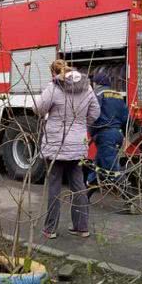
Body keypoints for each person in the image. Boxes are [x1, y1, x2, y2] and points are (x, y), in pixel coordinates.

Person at [36, 59, 100, 239]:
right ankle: (81, 227)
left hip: (57, 144)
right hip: (77, 145)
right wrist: (80, 125)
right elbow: (95, 113)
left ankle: (50, 229)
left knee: (55, 186)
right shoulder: (87, 87)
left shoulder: (54, 86)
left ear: (54, 73)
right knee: (78, 186)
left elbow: (39, 109)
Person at [86, 72, 135, 214]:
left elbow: (93, 115)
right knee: (98, 166)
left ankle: (130, 201)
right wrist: (126, 136)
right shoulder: (118, 95)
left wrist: (91, 132)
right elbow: (127, 118)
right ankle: (85, 196)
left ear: (96, 83)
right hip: (116, 134)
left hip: (105, 134)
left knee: (112, 168)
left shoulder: (97, 94)